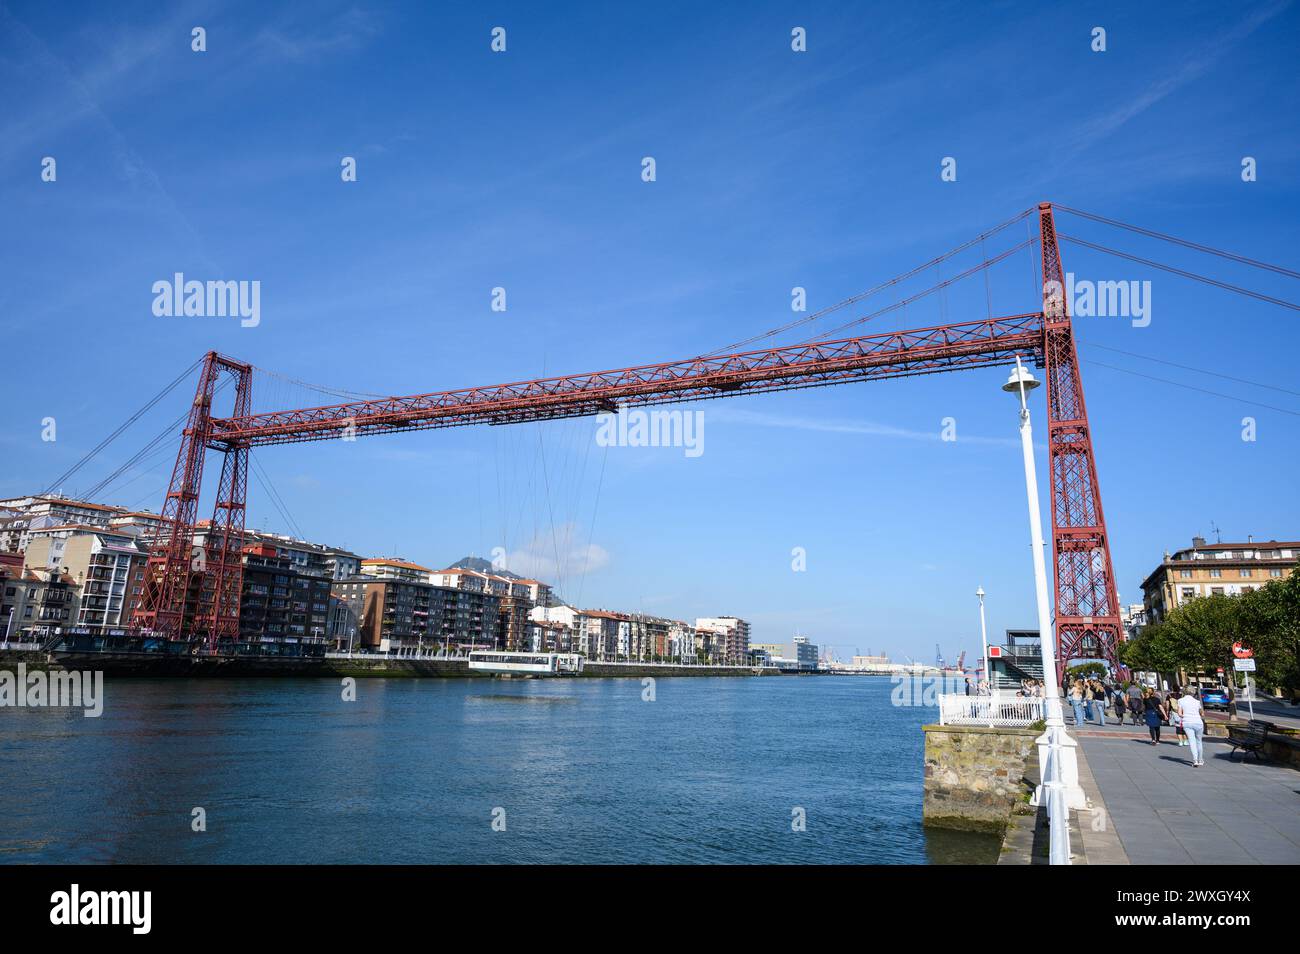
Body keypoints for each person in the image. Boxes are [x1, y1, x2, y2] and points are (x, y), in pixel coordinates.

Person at [1177, 687, 1206, 767]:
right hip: (1198, 722)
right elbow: (1202, 713)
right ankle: (1200, 760)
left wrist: (1185, 716)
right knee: (1199, 741)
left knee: (1192, 741)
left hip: (1187, 722)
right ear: (1193, 692)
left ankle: (1195, 760)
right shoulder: (1197, 702)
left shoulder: (1180, 701)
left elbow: (1179, 713)